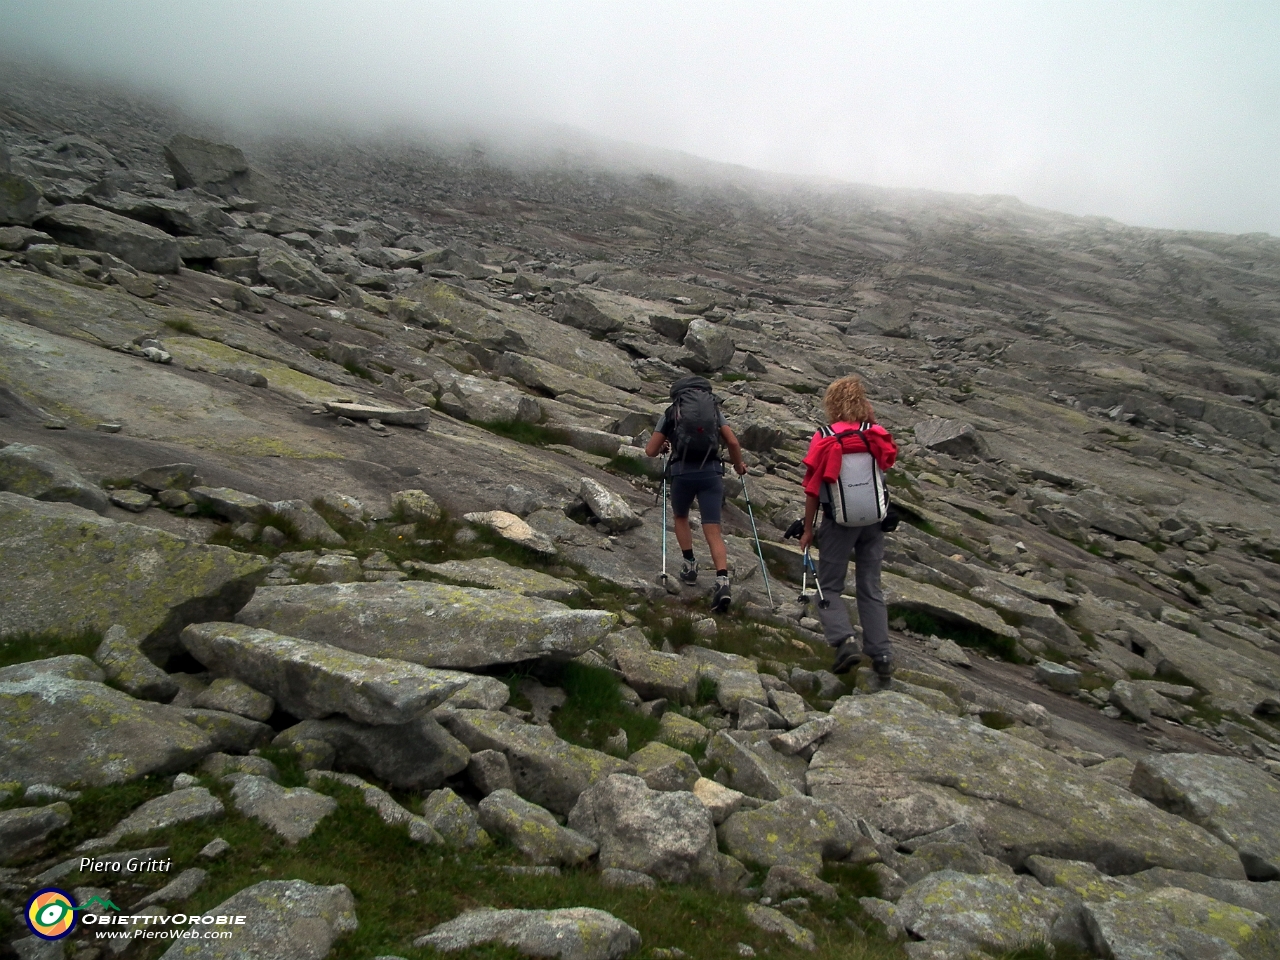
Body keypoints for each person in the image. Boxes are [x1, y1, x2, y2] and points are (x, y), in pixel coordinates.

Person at [798, 374, 899, 685]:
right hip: (874, 520)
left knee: (829, 586)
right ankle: (881, 654)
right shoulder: (876, 433)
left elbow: (813, 488)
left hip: (839, 522)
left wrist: (807, 528)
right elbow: (885, 468)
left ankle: (844, 641)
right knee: (870, 586)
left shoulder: (825, 436)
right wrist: (871, 419)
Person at [645, 375, 748, 611]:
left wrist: (663, 446)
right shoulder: (714, 412)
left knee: (680, 517)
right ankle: (722, 581)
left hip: (682, 474)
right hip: (711, 474)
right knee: (713, 530)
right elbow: (732, 442)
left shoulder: (672, 412)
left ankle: (690, 565)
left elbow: (650, 451)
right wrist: (738, 466)